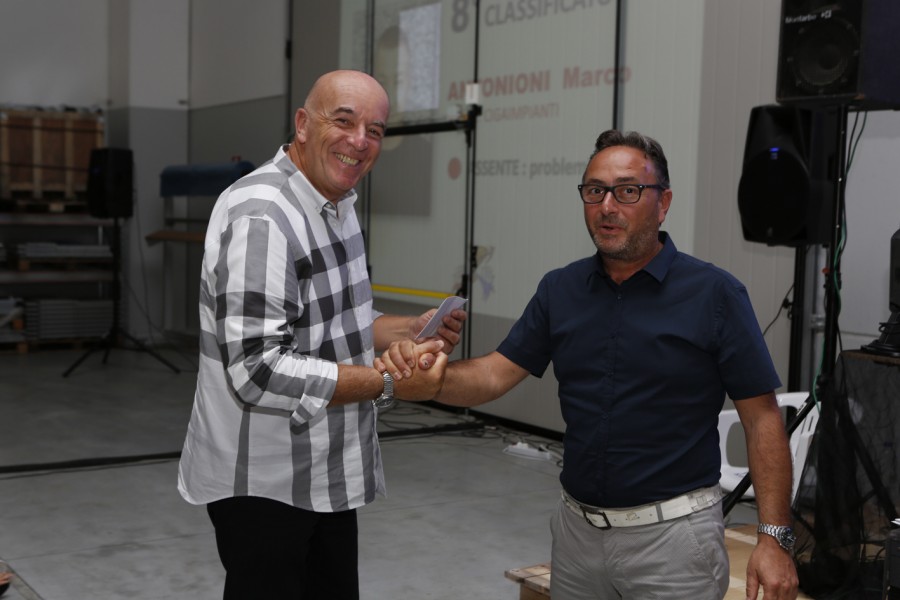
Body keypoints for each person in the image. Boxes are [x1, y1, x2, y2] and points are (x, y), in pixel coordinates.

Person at [379, 129, 799, 599]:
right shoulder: (561, 289)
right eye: (595, 191)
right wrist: (433, 381)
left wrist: (773, 538)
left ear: (663, 203)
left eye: (627, 191)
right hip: (577, 537)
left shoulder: (715, 294)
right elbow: (494, 373)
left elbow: (762, 419)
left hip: (675, 542)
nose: (607, 206)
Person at [176, 69, 464, 600]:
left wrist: (408, 329)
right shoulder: (264, 217)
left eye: (375, 130)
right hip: (264, 483)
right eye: (344, 121)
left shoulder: (335, 202)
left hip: (321, 471)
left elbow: (335, 323)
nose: (360, 141)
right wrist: (390, 384)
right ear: (303, 124)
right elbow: (258, 370)